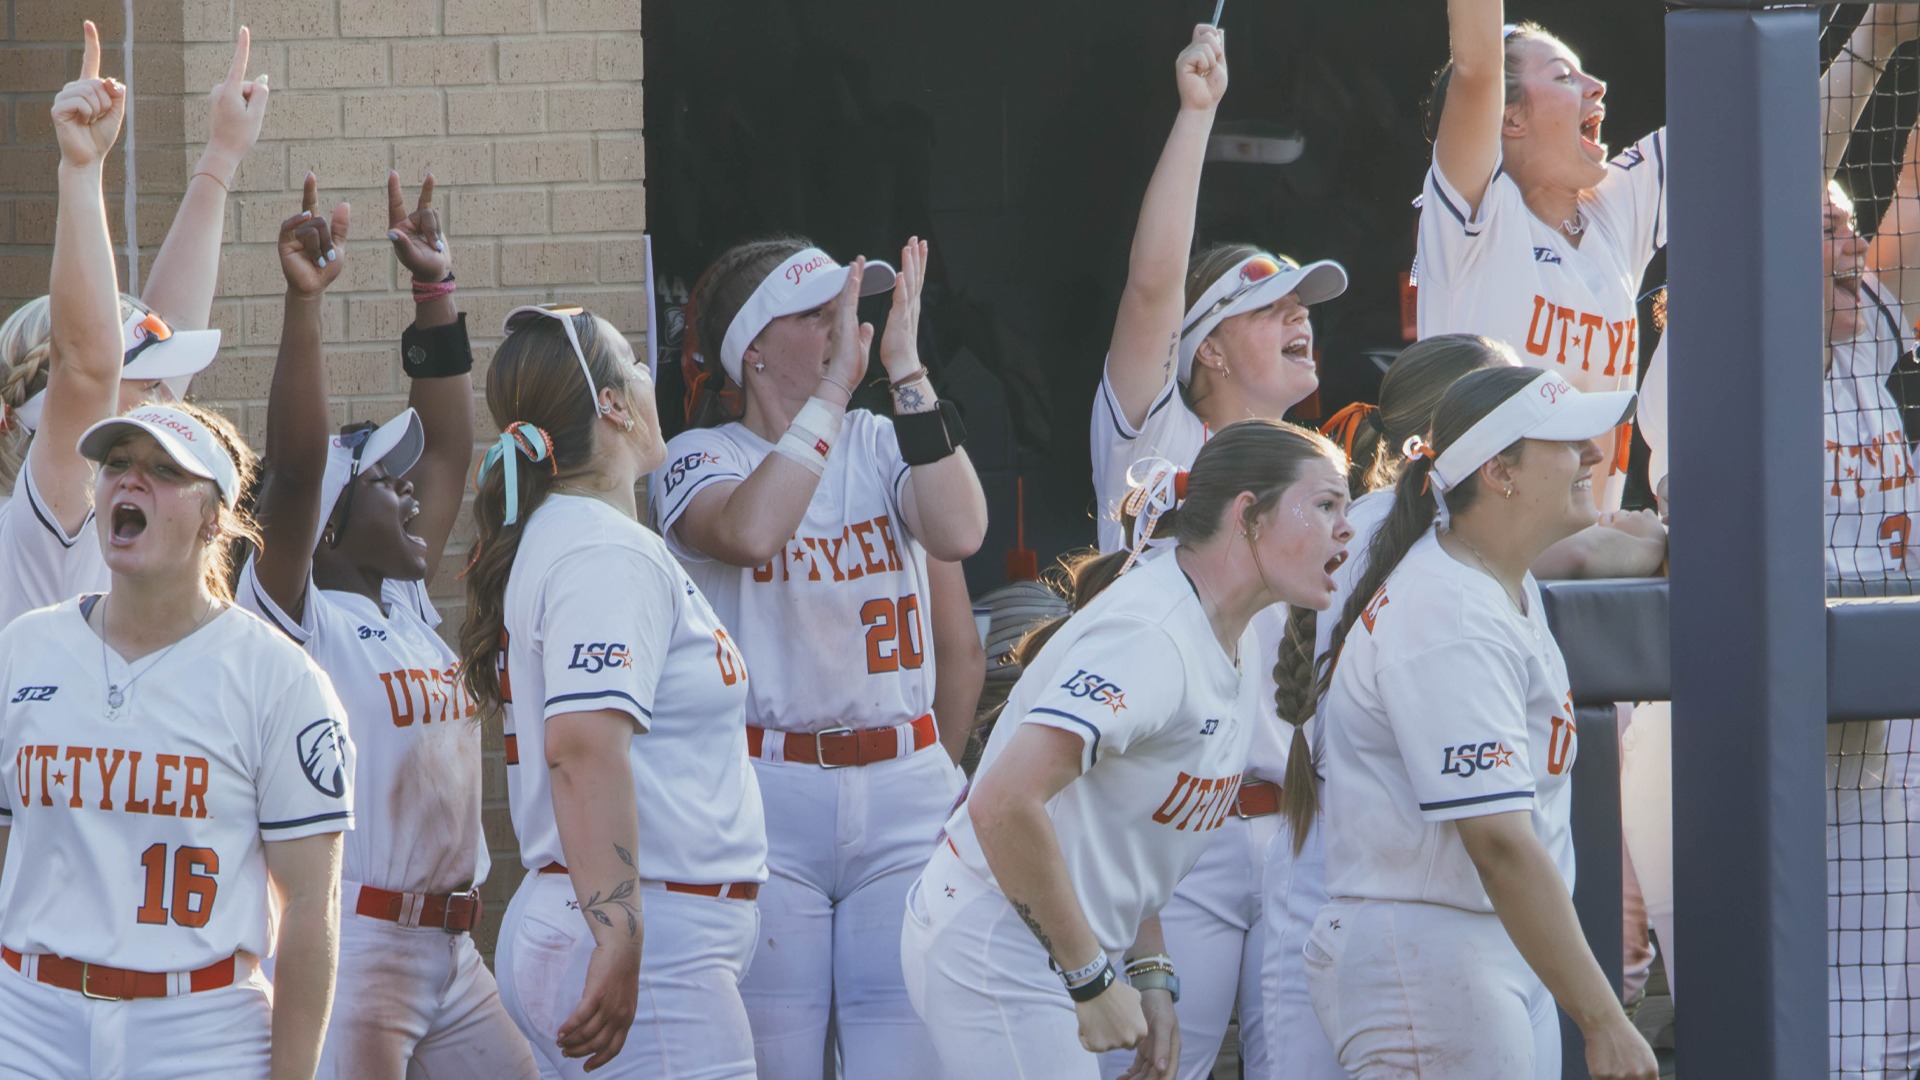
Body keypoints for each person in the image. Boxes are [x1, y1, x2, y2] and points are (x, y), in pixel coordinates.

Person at [902, 419, 1354, 1080]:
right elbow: (1000, 803)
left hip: (1048, 949)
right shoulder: (1153, 636)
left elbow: (1133, 821)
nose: (1346, 528)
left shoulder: (1229, 628)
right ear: (1248, 516)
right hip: (999, 949)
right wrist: (1090, 979)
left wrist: (1148, 972)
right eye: (1324, 506)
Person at [1083, 27, 1348, 1076]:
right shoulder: (1157, 432)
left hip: (1290, 832)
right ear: (1206, 349)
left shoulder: (1326, 472)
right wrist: (1197, 114)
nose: (1297, 316)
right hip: (1170, 833)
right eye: (1264, 305)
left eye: (1302, 305)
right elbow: (1152, 288)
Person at [656, 237, 986, 1079]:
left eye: (850, 307)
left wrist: (907, 373)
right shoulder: (702, 455)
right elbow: (750, 531)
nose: (850, 325)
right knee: (777, 1061)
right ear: (753, 349)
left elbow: (961, 530)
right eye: (817, 315)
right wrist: (836, 388)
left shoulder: (881, 438)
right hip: (772, 792)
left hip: (902, 783)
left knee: (905, 1057)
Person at [239, 173, 539, 1080]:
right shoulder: (294, 615)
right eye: (383, 480)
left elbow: (450, 445)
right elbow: (291, 476)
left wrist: (434, 292)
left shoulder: (402, 599)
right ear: (329, 521)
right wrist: (304, 304)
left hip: (455, 943)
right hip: (357, 941)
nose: (412, 491)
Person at [1305, 365, 1656, 1080]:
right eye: (1562, 441)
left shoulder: (1496, 579)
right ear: (1499, 472)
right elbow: (1497, 843)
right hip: (1429, 955)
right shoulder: (1449, 612)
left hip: (1480, 950)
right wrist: (1604, 1018)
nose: (1593, 453)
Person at [0, 400, 352, 1080]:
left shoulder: (277, 678)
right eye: (117, 465)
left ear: (213, 518)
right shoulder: (23, 649)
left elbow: (311, 906)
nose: (131, 482)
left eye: (165, 471)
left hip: (199, 1031)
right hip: (28, 1017)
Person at [461, 301, 768, 1079]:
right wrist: (622, 932)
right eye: (633, 363)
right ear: (611, 404)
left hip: (617, 922)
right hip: (640, 934)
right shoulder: (603, 550)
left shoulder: (575, 535)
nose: (646, 375)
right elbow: (581, 751)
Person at [0, 22, 262, 626]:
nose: (168, 399)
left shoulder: (90, 489)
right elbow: (90, 363)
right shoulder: (57, 510)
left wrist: (220, 159)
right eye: (147, 382)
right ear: (60, 403)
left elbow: (159, 334)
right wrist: (81, 169)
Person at [1417, 0, 1666, 510]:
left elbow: (1768, 136)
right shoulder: (1476, 217)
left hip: (1588, 558)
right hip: (1487, 557)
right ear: (1508, 117)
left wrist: (1877, 32)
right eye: (1563, 76)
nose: (1596, 85)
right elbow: (1477, 67)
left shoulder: (1612, 209)